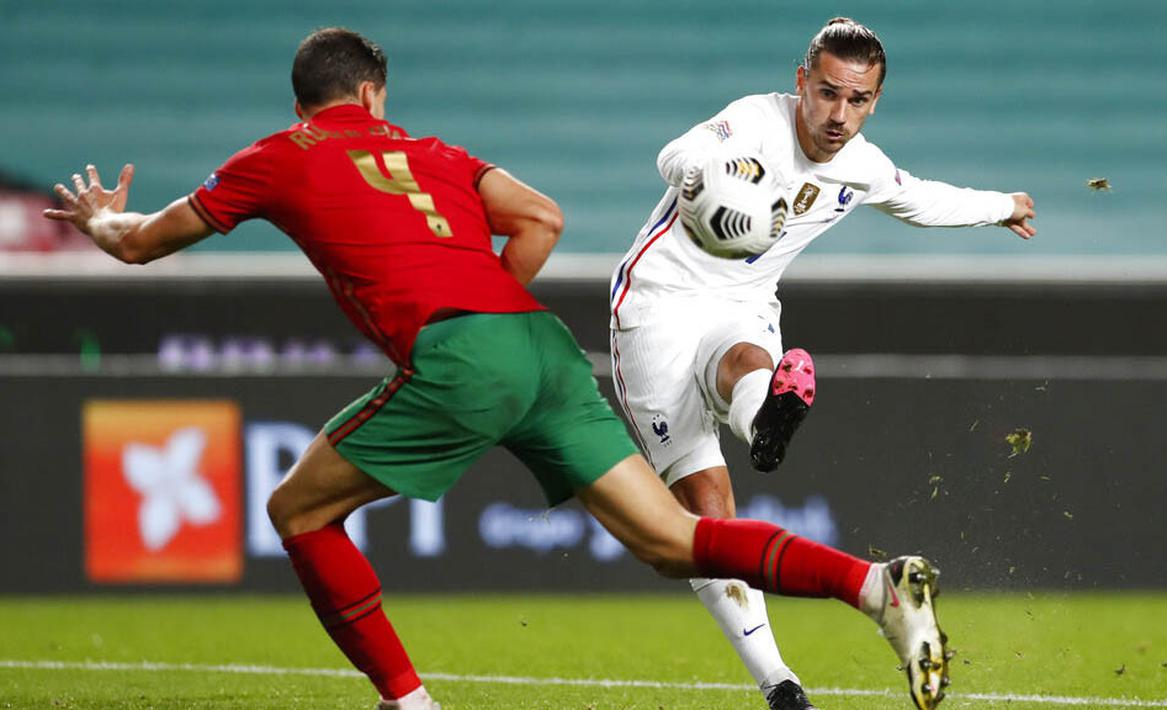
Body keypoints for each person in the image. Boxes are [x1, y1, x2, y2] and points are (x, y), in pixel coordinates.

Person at [44, 27, 951, 710]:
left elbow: (141, 246)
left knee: (295, 510)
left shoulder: (276, 156)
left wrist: (99, 222)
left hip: (463, 353)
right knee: (672, 542)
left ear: (305, 104)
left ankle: (410, 703)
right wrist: (491, 305)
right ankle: (873, 585)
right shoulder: (434, 153)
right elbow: (544, 220)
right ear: (372, 92)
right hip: (541, 345)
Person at [609, 16, 1033, 710]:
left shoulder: (860, 165)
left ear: (875, 101)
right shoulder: (751, 122)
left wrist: (1000, 207)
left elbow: (919, 199)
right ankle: (778, 679)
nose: (840, 115)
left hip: (740, 302)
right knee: (706, 516)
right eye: (828, 93)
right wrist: (703, 178)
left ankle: (766, 423)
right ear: (800, 82)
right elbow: (675, 153)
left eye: (858, 100)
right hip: (654, 307)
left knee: (747, 359)